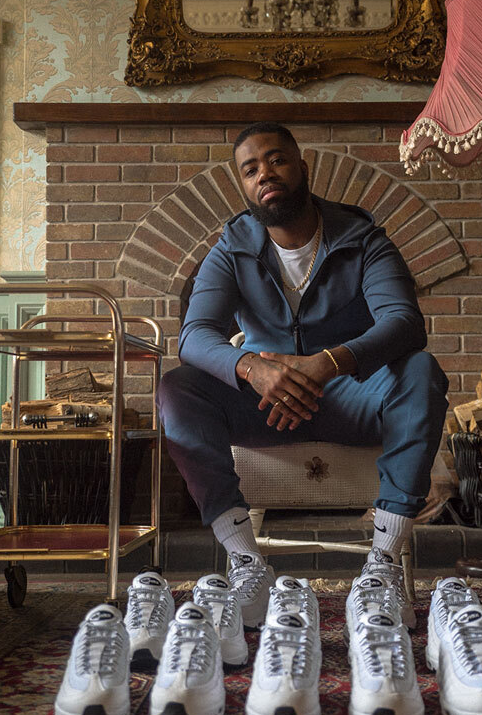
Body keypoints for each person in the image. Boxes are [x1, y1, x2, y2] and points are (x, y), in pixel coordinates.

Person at [157, 122, 448, 628]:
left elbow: (405, 324)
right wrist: (251, 367)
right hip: (264, 403)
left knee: (420, 371)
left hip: (354, 396)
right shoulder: (232, 248)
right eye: (250, 169)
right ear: (244, 188)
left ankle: (382, 566)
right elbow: (194, 335)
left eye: (276, 160)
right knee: (176, 388)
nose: (265, 174)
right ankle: (248, 564)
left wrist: (327, 363)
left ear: (302, 169)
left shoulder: (363, 239)